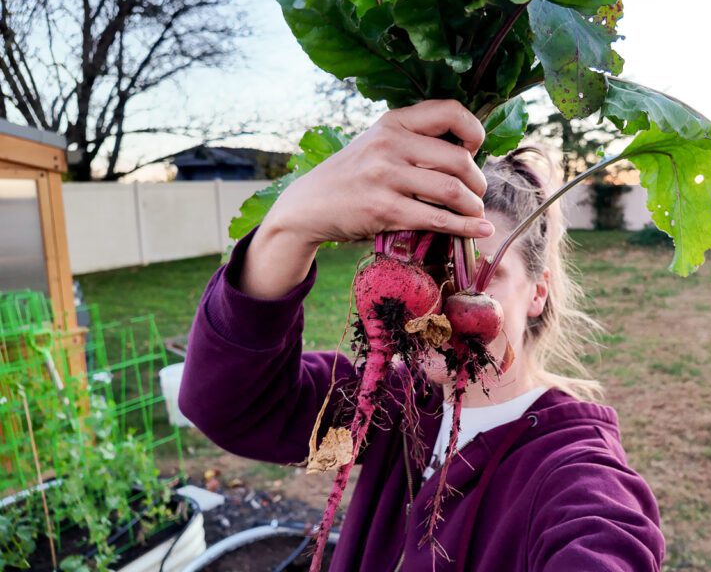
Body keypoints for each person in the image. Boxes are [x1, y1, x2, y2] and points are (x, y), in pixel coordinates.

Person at [179, 99, 665, 571]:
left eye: (482, 272)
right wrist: (289, 229)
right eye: (428, 270)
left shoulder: (571, 471)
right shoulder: (393, 405)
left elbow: (604, 542)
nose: (438, 305)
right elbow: (229, 403)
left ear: (537, 294)